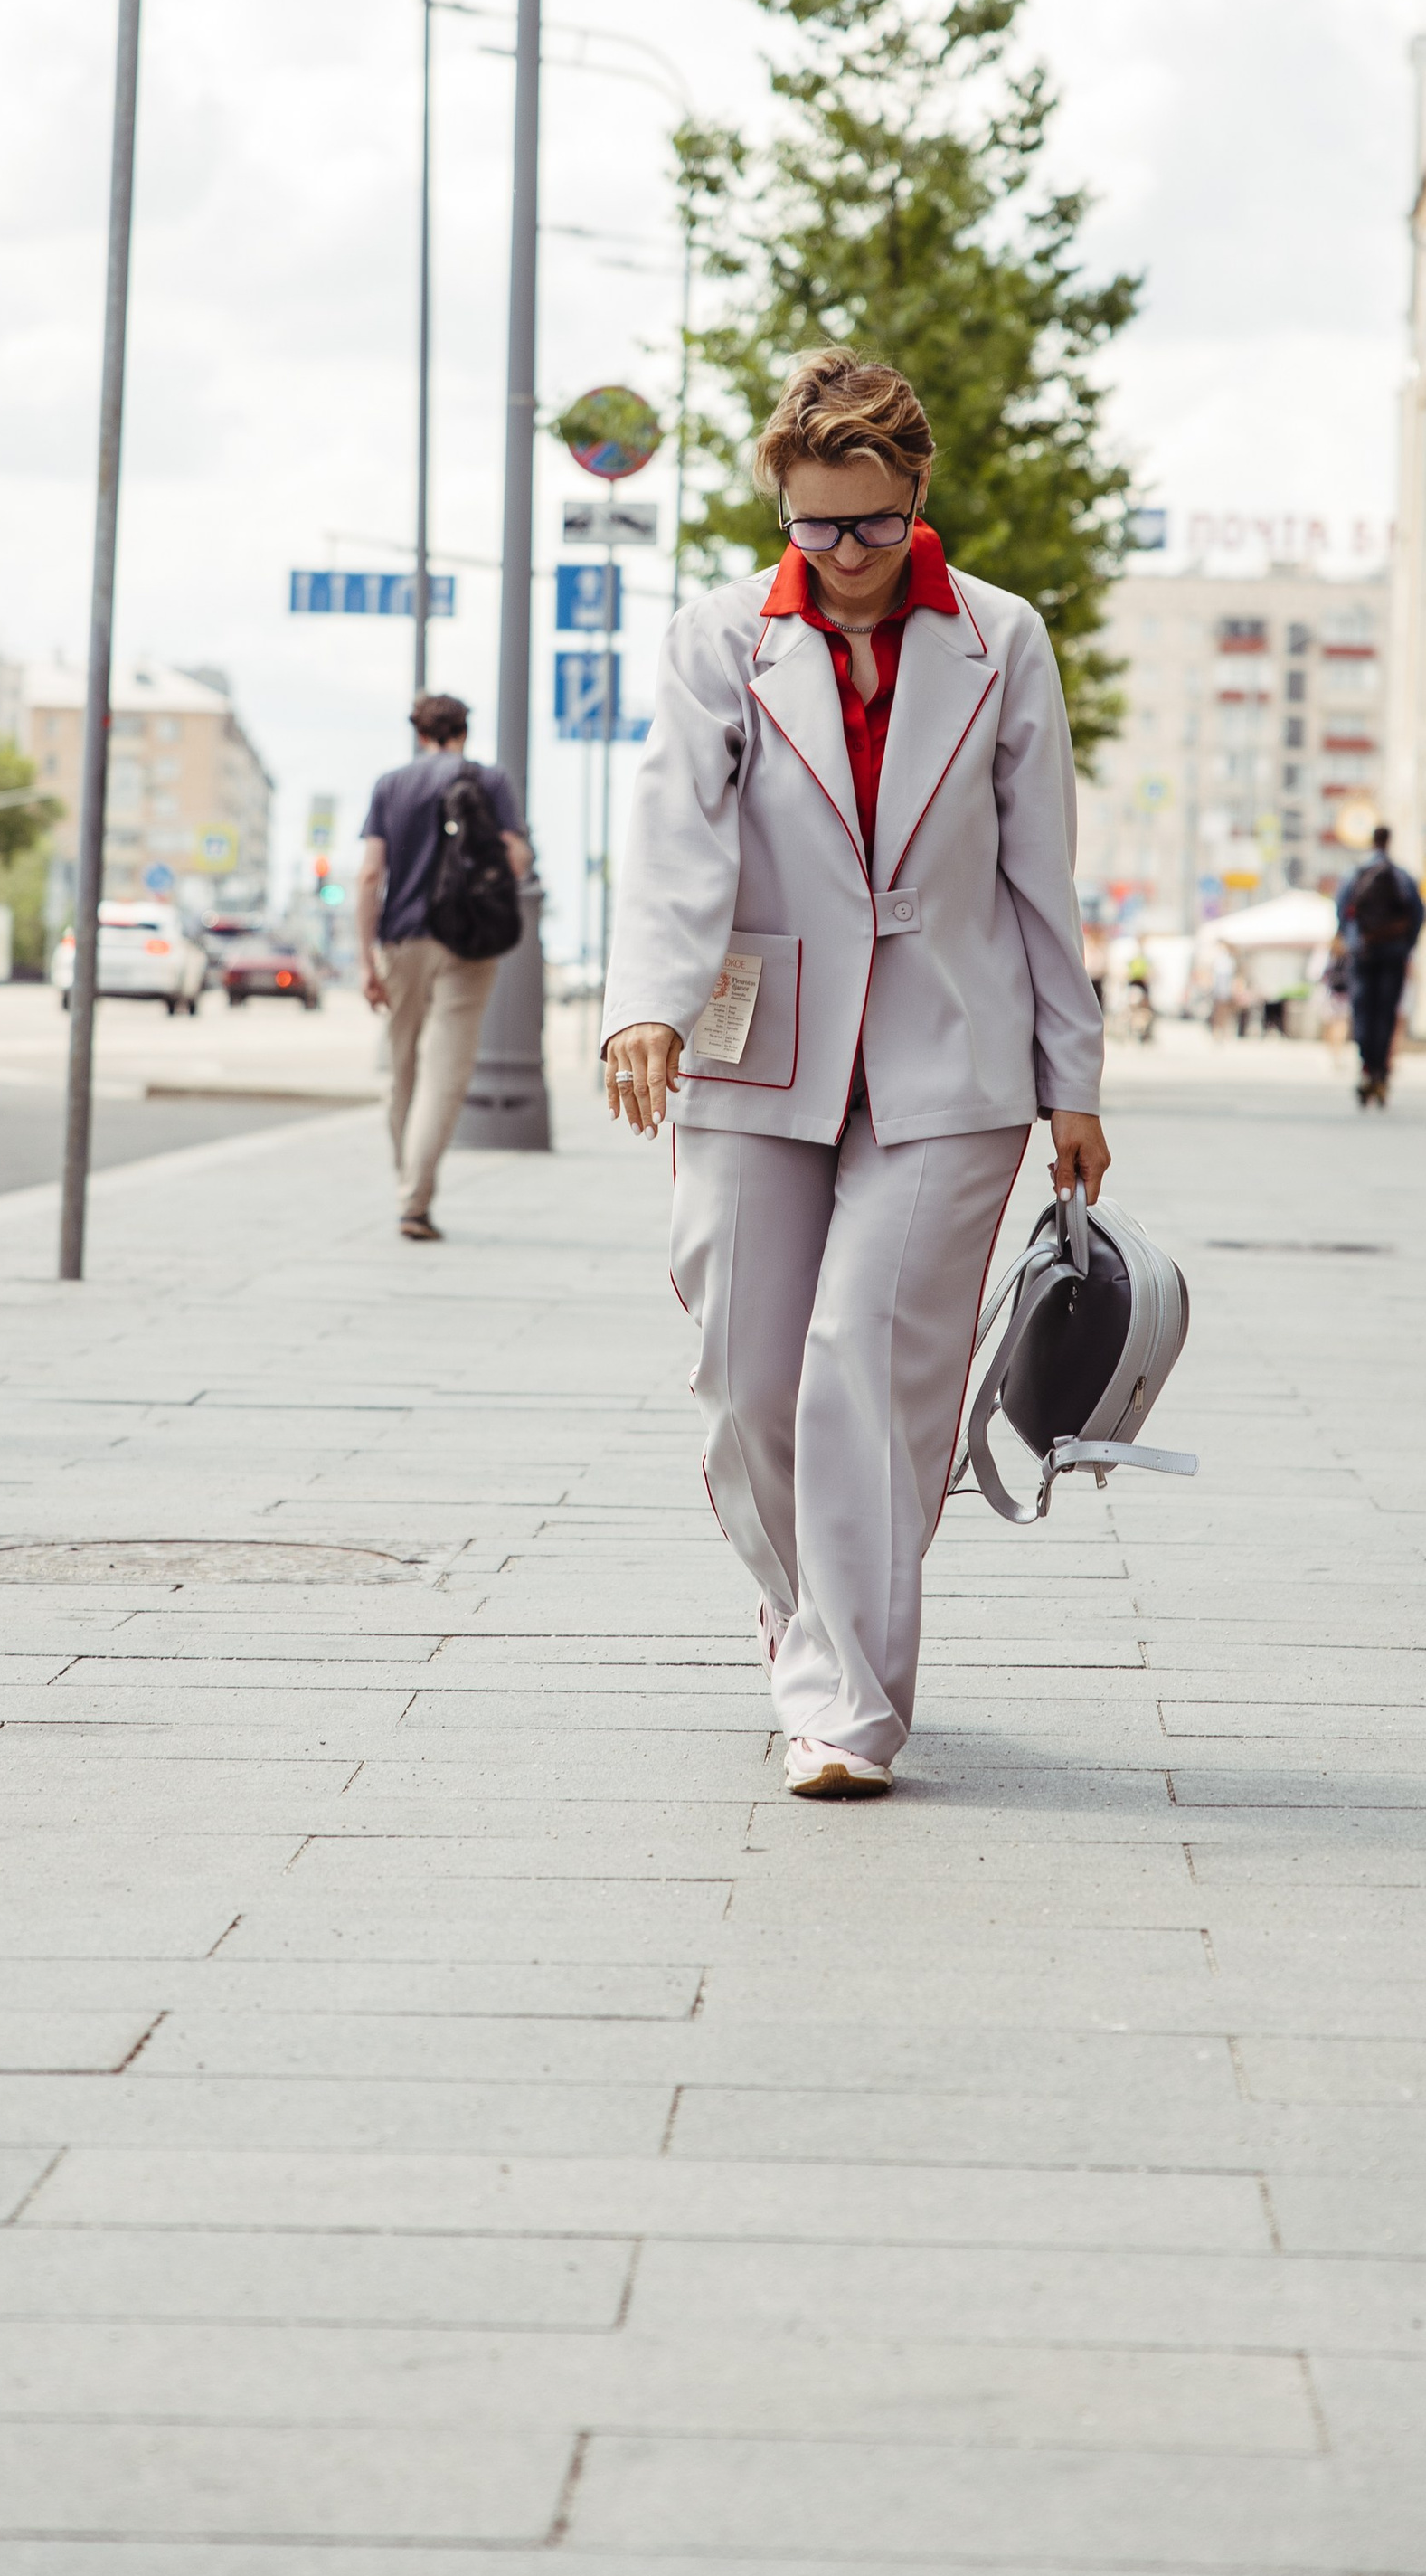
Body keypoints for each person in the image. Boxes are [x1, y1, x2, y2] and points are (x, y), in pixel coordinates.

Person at [600, 349, 1110, 1801]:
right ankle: (811, 1612)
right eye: (814, 528)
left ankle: (844, 1705)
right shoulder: (718, 642)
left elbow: (1038, 878)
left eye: (872, 526)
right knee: (746, 1377)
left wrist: (1073, 1080)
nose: (845, 559)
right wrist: (646, 1004)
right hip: (759, 1048)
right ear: (782, 511)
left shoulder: (1003, 641)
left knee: (866, 1373)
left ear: (918, 493)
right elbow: (677, 838)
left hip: (953, 1054)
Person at [354, 692, 533, 1243]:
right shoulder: (489, 780)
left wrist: (366, 959)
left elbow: (368, 876)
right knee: (445, 1074)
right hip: (469, 941)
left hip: (402, 941)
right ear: (463, 731)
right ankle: (415, 1200)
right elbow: (518, 859)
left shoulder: (391, 785)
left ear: (419, 733)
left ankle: (408, 1181)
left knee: (403, 1068)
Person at [1335, 823, 1426, 1107]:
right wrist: (1406, 946)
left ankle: (1365, 1067)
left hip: (1363, 953)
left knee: (1363, 1011)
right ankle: (1381, 1072)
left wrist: (1351, 941)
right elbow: (1419, 913)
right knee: (1386, 1013)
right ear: (1390, 841)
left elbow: (1341, 912)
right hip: (1394, 953)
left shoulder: (1356, 874)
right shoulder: (1403, 876)